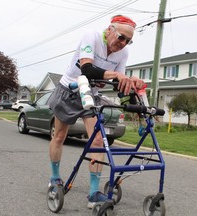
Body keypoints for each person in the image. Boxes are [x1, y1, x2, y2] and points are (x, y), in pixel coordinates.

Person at [48, 15, 145, 209]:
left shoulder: (122, 54)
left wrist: (131, 81)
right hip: (69, 90)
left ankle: (93, 193)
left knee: (98, 141)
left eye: (128, 40)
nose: (123, 43)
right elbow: (87, 69)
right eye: (121, 37)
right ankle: (55, 178)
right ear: (110, 30)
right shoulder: (91, 36)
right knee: (59, 136)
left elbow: (118, 82)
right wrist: (117, 75)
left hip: (90, 95)